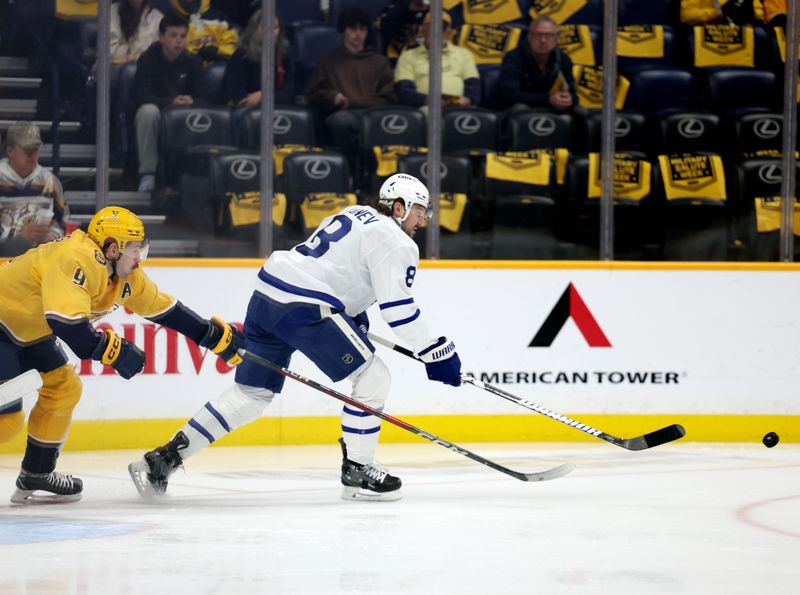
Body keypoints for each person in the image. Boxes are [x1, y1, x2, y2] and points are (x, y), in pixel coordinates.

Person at [129, 173, 462, 502]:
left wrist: (354, 313)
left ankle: (163, 459)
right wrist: (436, 353)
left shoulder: (354, 213)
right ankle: (358, 470)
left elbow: (337, 268)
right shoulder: (396, 240)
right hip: (305, 307)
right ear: (399, 207)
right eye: (420, 210)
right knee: (374, 378)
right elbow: (399, 310)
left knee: (251, 393)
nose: (424, 220)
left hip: (268, 293)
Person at [0, 206, 243, 504]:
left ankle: (36, 474)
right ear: (112, 248)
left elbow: (163, 309)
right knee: (7, 423)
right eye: (134, 249)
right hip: (3, 324)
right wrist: (114, 351)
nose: (140, 258)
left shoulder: (123, 274)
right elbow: (69, 327)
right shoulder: (75, 258)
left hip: (28, 333)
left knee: (64, 387)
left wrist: (211, 335)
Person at [307, 7, 394, 161]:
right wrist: (332, 96)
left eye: (363, 29)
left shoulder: (379, 62)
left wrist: (353, 102)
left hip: (374, 113)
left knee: (392, 122)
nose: (358, 33)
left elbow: (388, 96)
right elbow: (313, 93)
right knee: (341, 121)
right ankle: (350, 167)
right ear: (343, 31)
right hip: (344, 114)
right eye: (353, 29)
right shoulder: (328, 61)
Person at [133, 11, 203, 193]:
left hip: (183, 116)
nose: (179, 41)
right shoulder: (147, 60)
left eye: (183, 36)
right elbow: (141, 95)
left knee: (201, 113)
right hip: (157, 112)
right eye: (173, 36)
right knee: (147, 112)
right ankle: (148, 173)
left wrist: (192, 100)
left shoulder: (192, 63)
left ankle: (194, 174)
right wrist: (170, 102)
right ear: (161, 37)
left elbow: (206, 96)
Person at [0, 121, 68, 257]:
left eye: (36, 149)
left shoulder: (50, 182)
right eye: (27, 150)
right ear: (10, 150)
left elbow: (64, 223)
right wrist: (20, 236)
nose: (32, 156)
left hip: (39, 262)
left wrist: (53, 236)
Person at [395, 11, 481, 110]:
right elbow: (404, 90)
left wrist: (467, 100)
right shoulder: (408, 56)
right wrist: (429, 101)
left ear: (449, 32)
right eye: (431, 27)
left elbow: (473, 85)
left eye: (442, 28)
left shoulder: (464, 54)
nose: (436, 31)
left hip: (459, 106)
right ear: (423, 30)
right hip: (425, 106)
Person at [497, 16, 578, 112]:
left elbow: (573, 94)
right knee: (520, 109)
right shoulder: (513, 58)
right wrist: (548, 99)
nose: (543, 40)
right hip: (522, 108)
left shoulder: (564, 60)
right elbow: (511, 96)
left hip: (553, 107)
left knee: (579, 111)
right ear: (529, 37)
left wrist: (569, 100)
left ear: (556, 39)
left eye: (549, 35)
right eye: (538, 35)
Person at [221, 10, 292, 109]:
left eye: (275, 28)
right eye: (266, 27)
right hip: (247, 109)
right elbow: (239, 97)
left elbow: (289, 94)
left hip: (278, 107)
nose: (271, 32)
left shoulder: (285, 55)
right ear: (254, 29)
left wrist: (263, 95)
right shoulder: (241, 55)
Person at [170, 0, 239, 64]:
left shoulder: (217, 17)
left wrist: (217, 51)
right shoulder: (172, 23)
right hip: (192, 70)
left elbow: (233, 47)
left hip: (221, 64)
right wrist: (194, 57)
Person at [110, 0, 164, 65]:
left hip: (147, 67)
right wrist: (128, 55)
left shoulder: (157, 18)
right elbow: (109, 50)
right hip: (114, 67)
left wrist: (136, 56)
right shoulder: (111, 12)